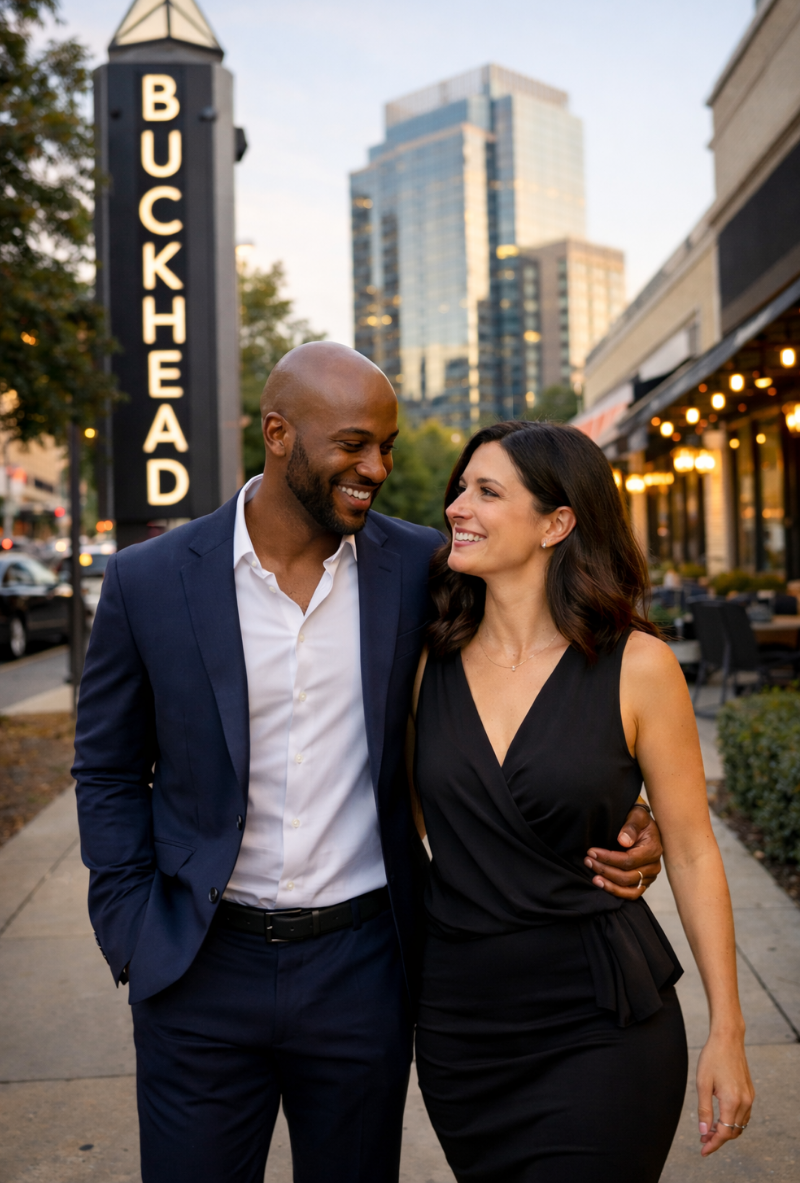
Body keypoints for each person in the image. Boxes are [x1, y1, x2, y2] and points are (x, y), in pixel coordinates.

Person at [73, 346, 665, 1183]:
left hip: (362, 970)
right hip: (199, 966)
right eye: (353, 444)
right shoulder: (150, 579)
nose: (377, 469)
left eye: (385, 447)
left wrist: (620, 805)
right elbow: (106, 767)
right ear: (279, 434)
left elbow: (538, 677)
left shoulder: (424, 570)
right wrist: (130, 927)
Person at [409, 419, 754, 1183]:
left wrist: (727, 1030)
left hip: (600, 1023)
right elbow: (412, 820)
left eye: (487, 491)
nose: (457, 507)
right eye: (460, 489)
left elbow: (693, 851)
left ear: (556, 523)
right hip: (462, 1033)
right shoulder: (427, 662)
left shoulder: (638, 665)